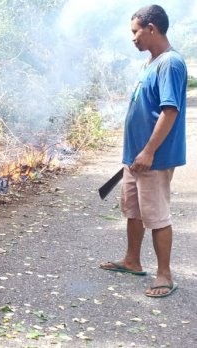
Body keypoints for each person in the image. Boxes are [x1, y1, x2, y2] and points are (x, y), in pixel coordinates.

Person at [99, 5, 187, 298]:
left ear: (151, 28)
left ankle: (165, 275)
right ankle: (132, 261)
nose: (133, 38)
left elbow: (169, 111)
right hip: (135, 157)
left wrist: (149, 151)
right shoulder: (151, 62)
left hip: (154, 158)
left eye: (135, 31)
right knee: (133, 211)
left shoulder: (170, 63)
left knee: (157, 216)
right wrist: (136, 152)